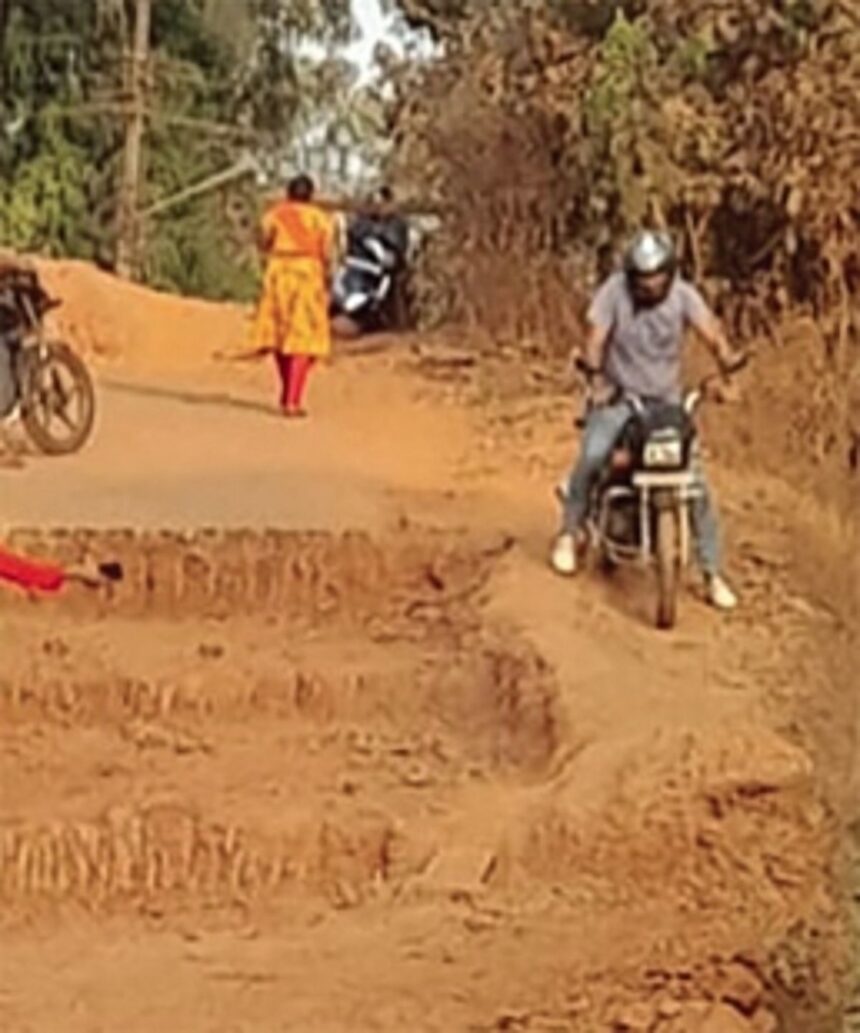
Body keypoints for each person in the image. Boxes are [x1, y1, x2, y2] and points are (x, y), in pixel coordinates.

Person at [551, 230, 742, 612]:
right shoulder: (613, 293)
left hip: (667, 403)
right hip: (620, 398)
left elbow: (711, 330)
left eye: (657, 276)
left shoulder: (684, 296)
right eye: (642, 278)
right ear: (630, 276)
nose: (650, 284)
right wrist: (595, 372)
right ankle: (570, 534)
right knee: (593, 455)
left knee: (695, 482)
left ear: (669, 273)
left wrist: (727, 365)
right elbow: (595, 336)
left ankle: (712, 572)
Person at [251, 174, 335, 418]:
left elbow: (263, 241)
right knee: (304, 339)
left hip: (279, 273)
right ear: (311, 195)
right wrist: (328, 279)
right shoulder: (321, 220)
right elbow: (328, 252)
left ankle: (288, 392)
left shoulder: (274, 215)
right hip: (308, 275)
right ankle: (292, 398)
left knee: (280, 336)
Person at [0, 547, 122, 593]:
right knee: (26, 571)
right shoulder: (97, 576)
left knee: (25, 570)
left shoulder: (93, 570)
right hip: (59, 575)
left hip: (59, 574)